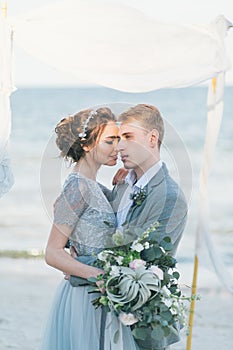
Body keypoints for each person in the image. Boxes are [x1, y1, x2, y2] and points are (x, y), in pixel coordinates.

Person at [39, 107, 139, 350]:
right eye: (109, 141)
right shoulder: (77, 188)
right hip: (85, 297)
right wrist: (99, 276)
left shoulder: (94, 186)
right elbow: (52, 252)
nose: (117, 147)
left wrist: (125, 182)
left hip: (100, 294)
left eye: (118, 140)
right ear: (86, 145)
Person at [111, 103, 188, 350]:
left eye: (128, 137)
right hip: (109, 309)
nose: (119, 146)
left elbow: (145, 260)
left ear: (152, 138)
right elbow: (105, 221)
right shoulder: (123, 183)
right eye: (118, 138)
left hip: (144, 320)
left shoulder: (170, 196)